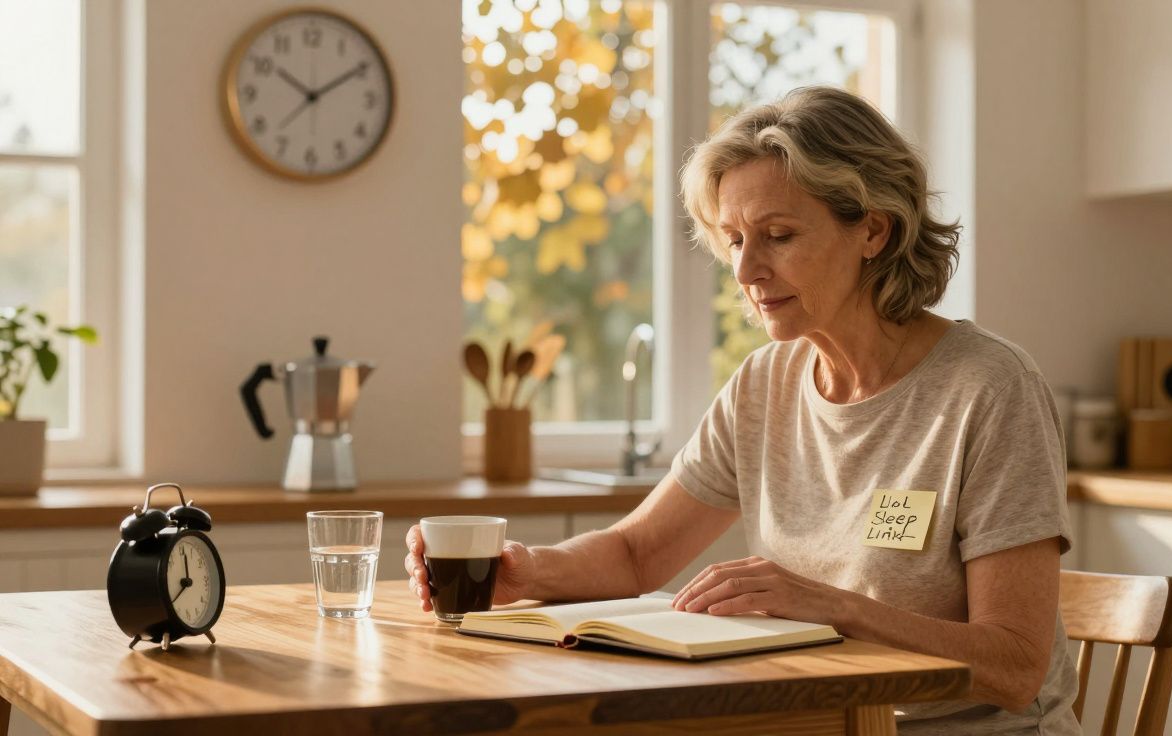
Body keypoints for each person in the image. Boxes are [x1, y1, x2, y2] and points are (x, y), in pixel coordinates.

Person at [405, 86, 1079, 734]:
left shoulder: (990, 389)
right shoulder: (765, 384)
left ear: (874, 230)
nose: (747, 270)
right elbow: (637, 552)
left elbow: (1017, 667)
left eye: (777, 235)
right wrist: (527, 570)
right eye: (733, 240)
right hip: (819, 725)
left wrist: (833, 608)